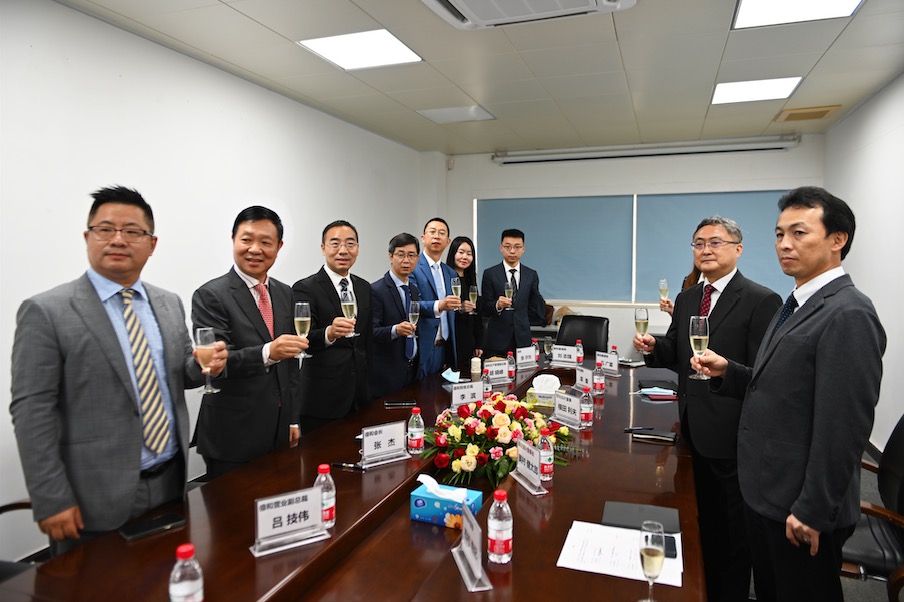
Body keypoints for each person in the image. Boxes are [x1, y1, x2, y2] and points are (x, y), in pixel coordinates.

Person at [9, 186, 227, 556]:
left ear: (152, 244)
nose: (118, 240)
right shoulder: (47, 311)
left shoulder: (168, 303)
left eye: (132, 231)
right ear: (87, 237)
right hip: (91, 495)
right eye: (105, 229)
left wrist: (207, 366)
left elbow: (183, 374)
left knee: (164, 575)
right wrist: (51, 497)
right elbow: (31, 410)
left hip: (170, 482)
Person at [692, 187, 886, 602]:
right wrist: (729, 371)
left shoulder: (848, 312)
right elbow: (780, 387)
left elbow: (845, 427)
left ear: (837, 240)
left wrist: (813, 508)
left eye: (799, 233)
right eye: (779, 234)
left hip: (800, 506)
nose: (784, 244)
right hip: (768, 491)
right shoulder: (797, 303)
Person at [634, 215, 781, 602]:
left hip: (732, 437)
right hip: (690, 430)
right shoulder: (687, 298)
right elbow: (676, 352)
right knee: (698, 522)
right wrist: (654, 347)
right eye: (699, 243)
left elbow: (764, 378)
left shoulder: (761, 300)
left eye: (716, 242)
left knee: (731, 538)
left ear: (738, 249)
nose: (706, 250)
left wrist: (725, 369)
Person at [191, 206, 307, 480]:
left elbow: (291, 365)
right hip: (233, 432)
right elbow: (217, 363)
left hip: (278, 429)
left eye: (265, 242)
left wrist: (292, 418)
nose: (255, 249)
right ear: (233, 240)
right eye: (246, 240)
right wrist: (268, 352)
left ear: (279, 247)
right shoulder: (211, 295)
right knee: (230, 507)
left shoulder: (285, 293)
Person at [292, 220, 373, 433]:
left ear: (357, 249)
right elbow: (301, 339)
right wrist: (329, 333)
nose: (343, 250)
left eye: (350, 244)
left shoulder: (364, 287)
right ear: (323, 248)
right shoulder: (304, 288)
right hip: (322, 399)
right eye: (335, 244)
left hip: (360, 397)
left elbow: (367, 341)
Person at [481, 229, 547, 358]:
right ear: (501, 248)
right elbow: (485, 305)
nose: (512, 251)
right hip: (497, 339)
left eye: (517, 247)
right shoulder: (490, 274)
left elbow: (533, 303)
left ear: (523, 249)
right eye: (507, 247)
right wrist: (497, 305)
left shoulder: (531, 274)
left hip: (522, 338)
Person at [371, 233, 420, 398]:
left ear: (417, 258)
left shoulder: (413, 289)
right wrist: (395, 330)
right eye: (401, 255)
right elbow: (371, 332)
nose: (406, 261)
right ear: (390, 256)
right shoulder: (376, 290)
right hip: (387, 374)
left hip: (412, 370)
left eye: (411, 255)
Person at [410, 218, 461, 378]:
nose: (437, 236)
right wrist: (439, 305)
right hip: (423, 345)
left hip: (445, 347)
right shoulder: (413, 267)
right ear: (423, 238)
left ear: (448, 241)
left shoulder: (450, 272)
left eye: (441, 233)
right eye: (432, 232)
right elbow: (412, 305)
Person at [445, 236, 484, 371]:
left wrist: (479, 343)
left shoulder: (470, 280)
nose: (464, 257)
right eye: (461, 252)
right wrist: (460, 308)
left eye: (469, 254)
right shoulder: (445, 279)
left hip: (468, 341)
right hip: (452, 340)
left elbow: (477, 314)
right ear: (453, 253)